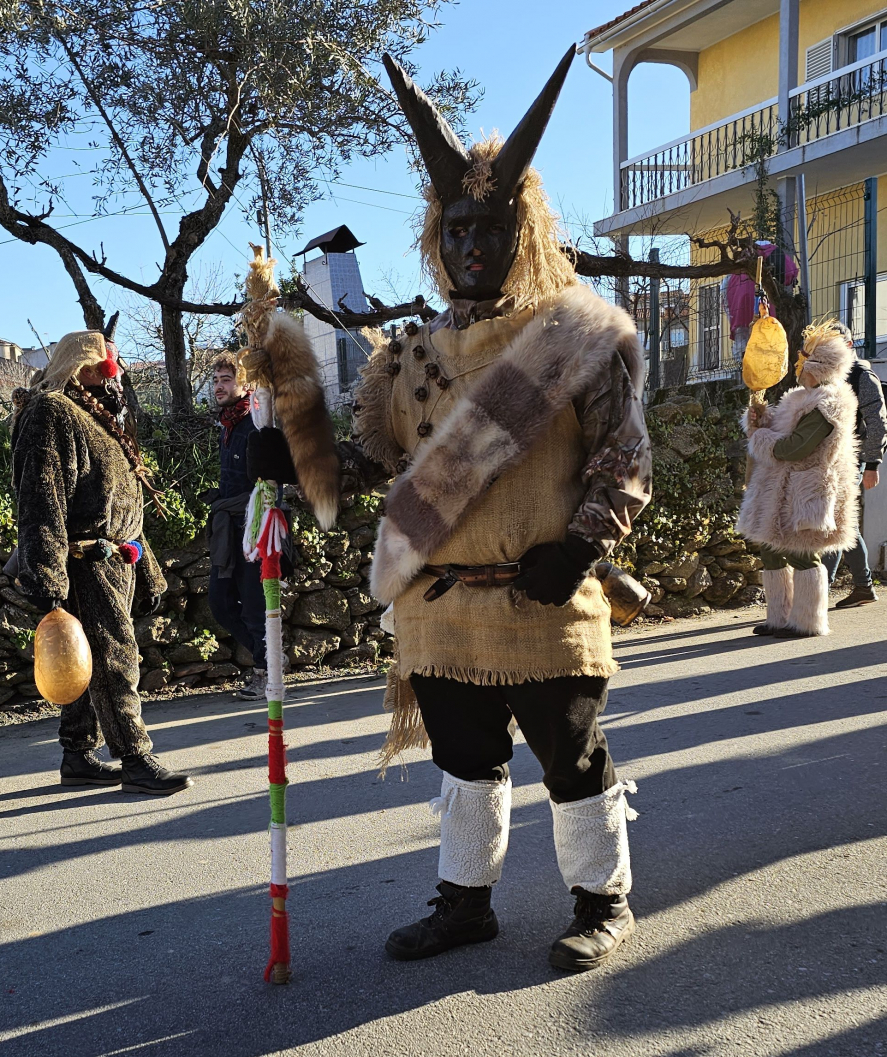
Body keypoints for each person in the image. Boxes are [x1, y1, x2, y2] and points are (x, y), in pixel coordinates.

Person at [344, 46, 653, 972]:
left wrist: (583, 542)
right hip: (441, 613)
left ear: (525, 234)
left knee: (570, 756)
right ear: (435, 237)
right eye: (456, 228)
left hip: (545, 599)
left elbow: (625, 458)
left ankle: (603, 900)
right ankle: (464, 902)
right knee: (464, 763)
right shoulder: (405, 357)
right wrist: (299, 451)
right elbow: (386, 463)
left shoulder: (578, 336)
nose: (471, 244)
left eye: (491, 227)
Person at [11, 329, 192, 795]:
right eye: (112, 366)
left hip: (115, 561)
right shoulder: (51, 413)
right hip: (84, 563)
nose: (120, 376)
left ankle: (78, 755)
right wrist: (49, 578)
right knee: (114, 657)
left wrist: (146, 568)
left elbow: (124, 511)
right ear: (85, 368)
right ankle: (135, 757)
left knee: (86, 659)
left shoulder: (98, 421)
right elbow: (40, 500)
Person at [738, 321, 860, 638]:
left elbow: (796, 448)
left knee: (802, 552)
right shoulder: (800, 397)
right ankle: (779, 617)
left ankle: (807, 620)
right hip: (782, 487)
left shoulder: (826, 404)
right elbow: (782, 432)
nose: (796, 364)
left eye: (802, 358)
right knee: (771, 550)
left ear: (816, 366)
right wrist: (760, 419)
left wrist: (761, 439)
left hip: (806, 488)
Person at [205, 351, 268, 701]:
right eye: (215, 380)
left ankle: (265, 670)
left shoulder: (257, 422)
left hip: (254, 525)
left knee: (256, 605)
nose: (219, 386)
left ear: (245, 383)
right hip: (228, 526)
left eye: (226, 379)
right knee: (220, 602)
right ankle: (270, 658)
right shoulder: (227, 426)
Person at [820, 321, 887, 608]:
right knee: (844, 522)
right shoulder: (825, 374)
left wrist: (872, 463)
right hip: (828, 459)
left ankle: (821, 589)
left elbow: (878, 421)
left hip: (852, 459)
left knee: (834, 520)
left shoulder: (861, 374)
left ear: (848, 346)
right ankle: (863, 587)